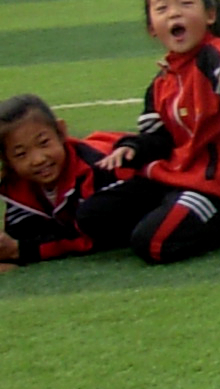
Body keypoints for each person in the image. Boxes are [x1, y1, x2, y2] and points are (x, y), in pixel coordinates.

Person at [73, 0, 220, 264]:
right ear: (152, 27)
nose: (173, 14)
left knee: (153, 244)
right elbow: (159, 139)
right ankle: (190, 217)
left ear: (210, 15)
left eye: (185, 3)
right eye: (162, 8)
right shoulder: (161, 83)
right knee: (91, 217)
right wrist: (131, 149)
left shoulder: (215, 55)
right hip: (178, 176)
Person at [0, 95, 134, 268]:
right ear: (7, 160)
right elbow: (23, 234)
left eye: (44, 143)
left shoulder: (98, 167)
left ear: (61, 131)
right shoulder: (15, 186)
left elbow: (97, 236)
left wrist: (23, 251)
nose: (38, 159)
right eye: (20, 154)